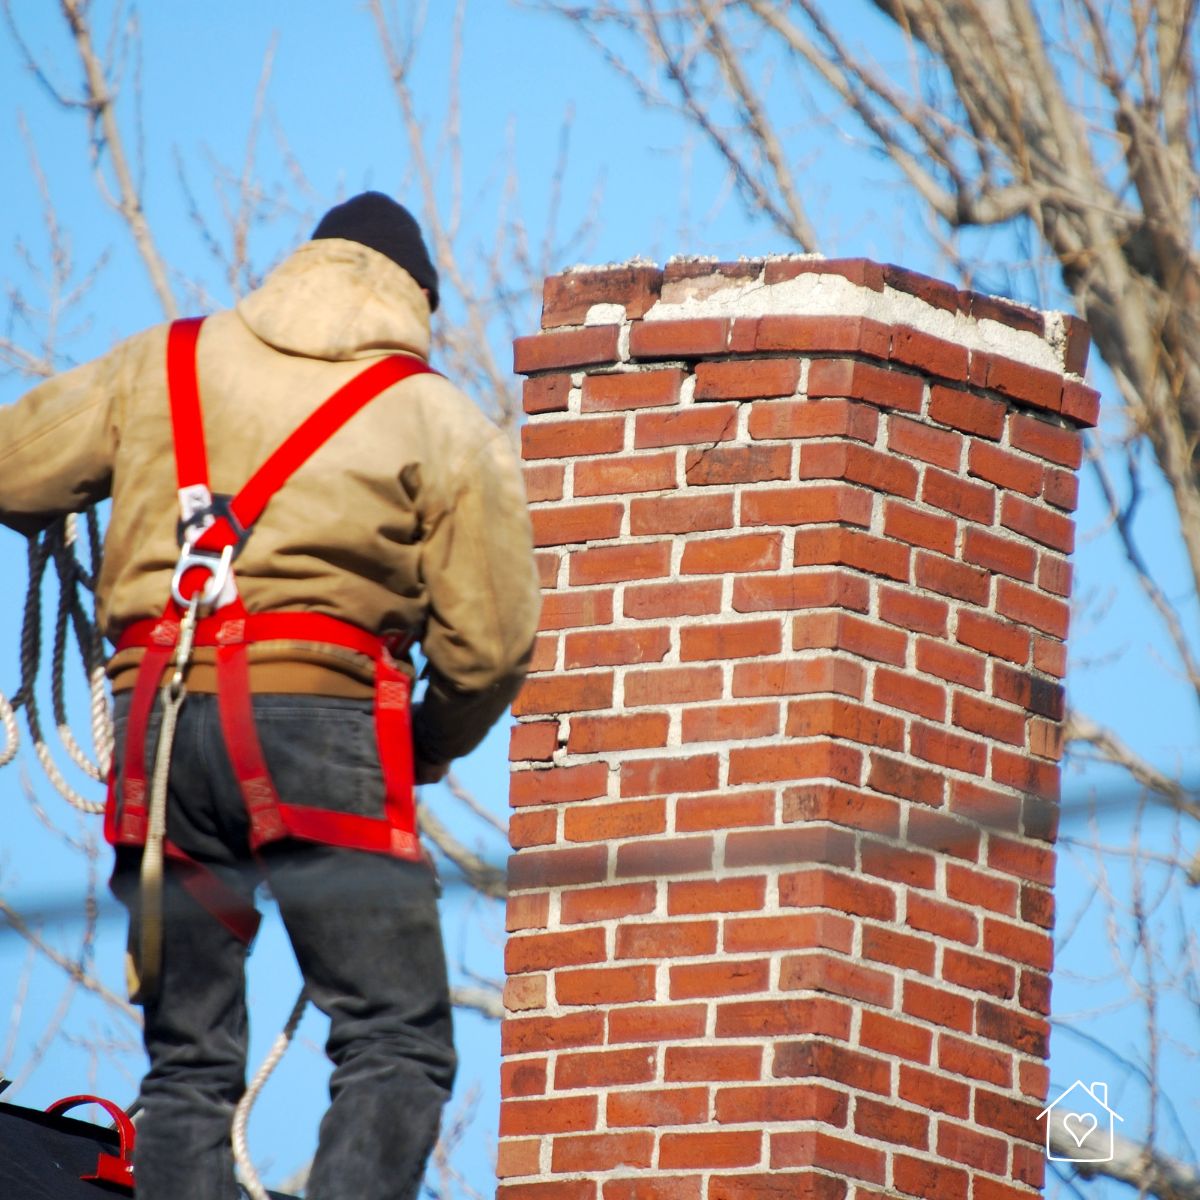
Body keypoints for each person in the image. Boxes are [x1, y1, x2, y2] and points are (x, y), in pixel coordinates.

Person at [0, 192, 541, 1200]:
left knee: (189, 1065)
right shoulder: (434, 413)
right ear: (414, 299)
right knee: (395, 1040)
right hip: (321, 734)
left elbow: (10, 468)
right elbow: (492, 647)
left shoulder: (158, 363)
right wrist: (424, 746)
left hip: (157, 740)